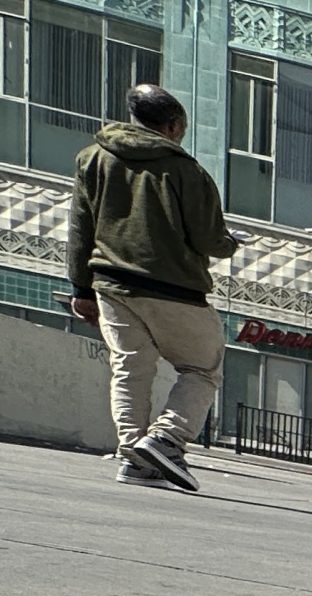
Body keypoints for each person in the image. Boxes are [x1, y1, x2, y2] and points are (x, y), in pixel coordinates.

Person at [64, 83, 239, 494]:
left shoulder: (93, 158)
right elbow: (209, 239)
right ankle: (166, 440)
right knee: (202, 368)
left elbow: (80, 227)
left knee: (130, 368)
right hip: (174, 287)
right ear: (173, 125)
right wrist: (230, 243)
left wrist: (80, 289)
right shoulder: (186, 171)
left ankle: (134, 457)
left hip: (112, 284)